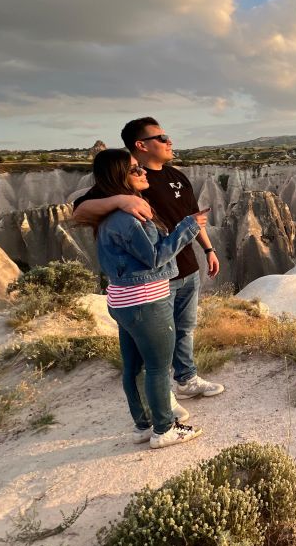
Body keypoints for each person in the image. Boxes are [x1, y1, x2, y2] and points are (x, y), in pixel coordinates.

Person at [73, 118, 224, 405]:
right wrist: (119, 201)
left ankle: (187, 379)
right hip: (155, 278)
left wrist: (209, 249)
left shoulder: (177, 176)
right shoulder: (128, 182)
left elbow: (193, 215)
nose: (170, 142)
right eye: (162, 137)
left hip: (188, 268)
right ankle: (162, 399)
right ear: (141, 145)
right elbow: (79, 212)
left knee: (184, 329)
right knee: (157, 346)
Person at [86, 149, 205, 448]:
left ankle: (143, 425)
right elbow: (155, 256)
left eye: (141, 169)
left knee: (134, 366)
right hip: (146, 302)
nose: (142, 173)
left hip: (122, 301)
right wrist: (188, 227)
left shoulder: (110, 216)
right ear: (118, 178)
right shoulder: (128, 219)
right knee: (157, 367)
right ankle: (164, 429)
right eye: (134, 170)